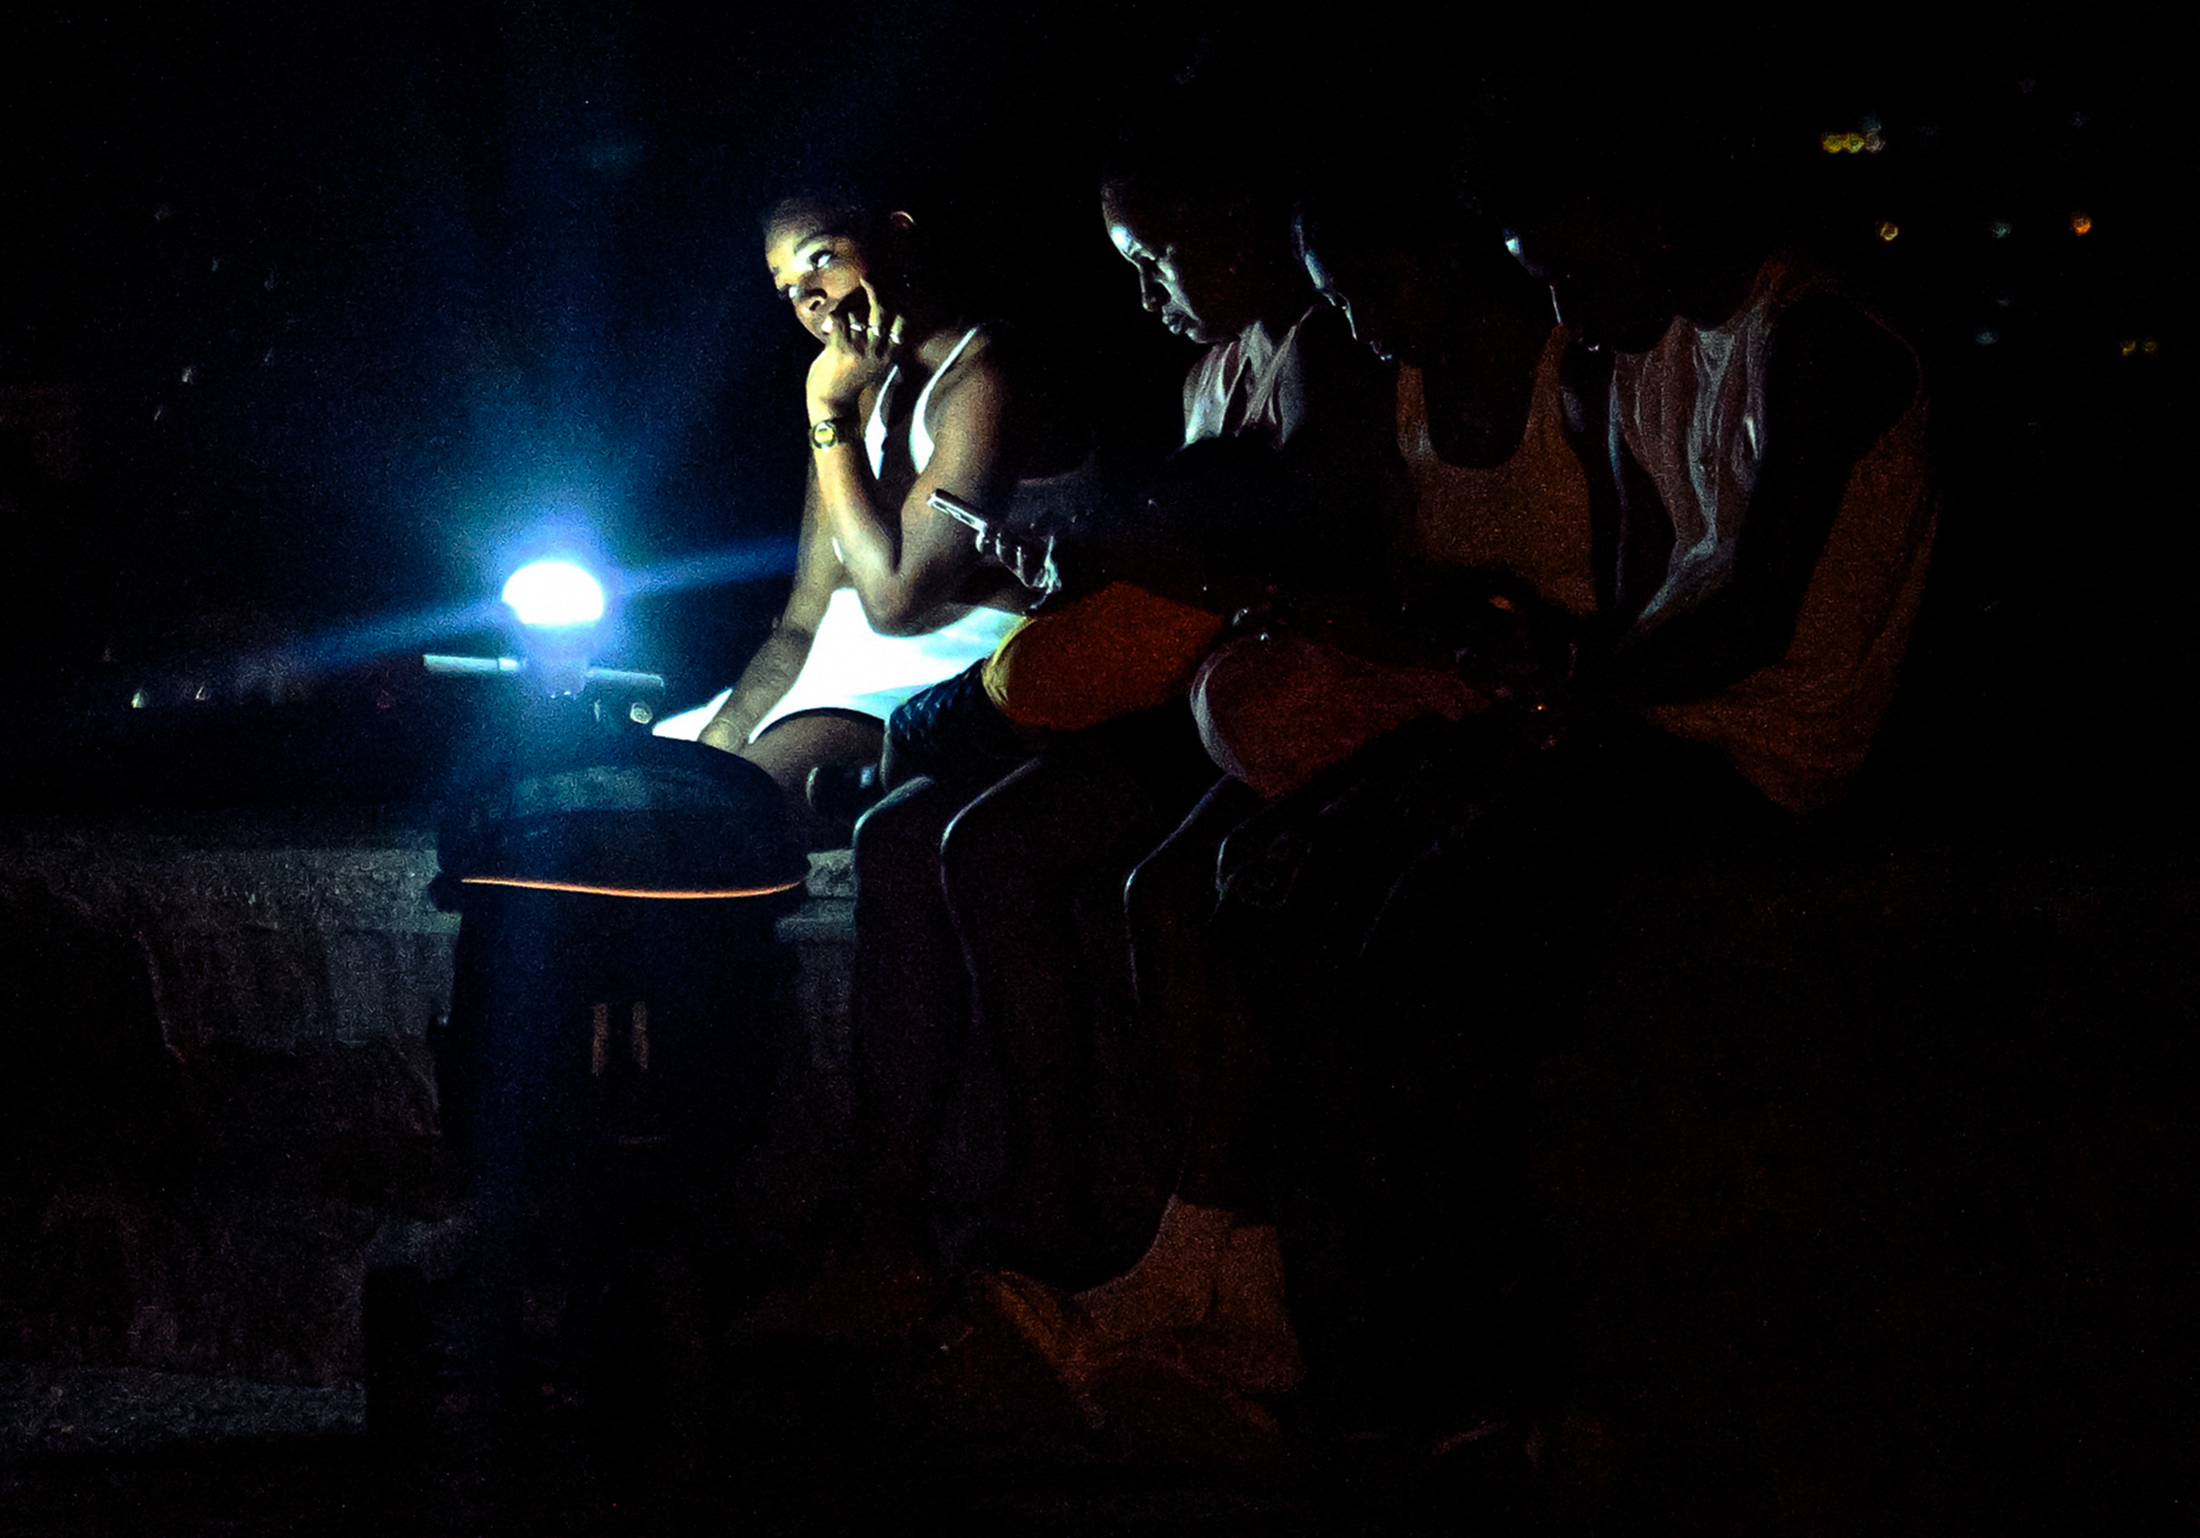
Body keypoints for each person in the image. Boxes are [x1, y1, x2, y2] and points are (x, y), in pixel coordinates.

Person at [655, 195, 1040, 846]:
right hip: (828, 674)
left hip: (946, 679)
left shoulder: (986, 371)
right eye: (788, 290)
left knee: (712, 821)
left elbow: (895, 601)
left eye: (823, 259)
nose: (809, 298)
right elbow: (804, 619)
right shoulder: (858, 391)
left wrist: (826, 410)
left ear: (897, 237)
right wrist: (718, 739)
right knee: (635, 790)